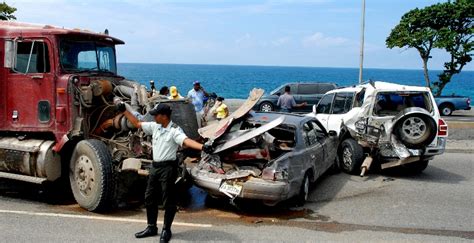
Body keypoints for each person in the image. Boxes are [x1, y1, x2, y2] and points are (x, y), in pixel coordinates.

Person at [118, 103, 213, 242]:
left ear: (164, 116)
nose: (154, 116)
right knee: (149, 197)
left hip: (168, 169)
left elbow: (185, 141)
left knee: (168, 200)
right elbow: (137, 124)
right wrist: (124, 111)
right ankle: (151, 227)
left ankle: (166, 230)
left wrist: (203, 147)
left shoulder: (175, 130)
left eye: (156, 114)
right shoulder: (155, 126)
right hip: (155, 167)